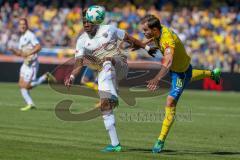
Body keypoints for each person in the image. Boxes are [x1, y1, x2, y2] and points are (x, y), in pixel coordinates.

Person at [64, 8, 157, 152]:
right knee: (104, 106)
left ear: (95, 21)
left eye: (89, 21)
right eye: (84, 22)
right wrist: (71, 76)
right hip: (105, 72)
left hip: (119, 65)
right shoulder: (81, 41)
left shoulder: (109, 29)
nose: (86, 24)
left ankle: (113, 95)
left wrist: (146, 47)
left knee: (107, 59)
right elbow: (78, 62)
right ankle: (115, 145)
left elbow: (129, 39)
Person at [140, 15, 221, 153]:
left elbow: (169, 60)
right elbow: (150, 39)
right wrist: (140, 45)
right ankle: (213, 74)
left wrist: (157, 78)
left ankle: (160, 140)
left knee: (170, 101)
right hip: (181, 68)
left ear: (154, 29)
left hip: (179, 71)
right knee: (190, 75)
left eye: (145, 30)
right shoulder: (160, 30)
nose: (143, 32)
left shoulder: (167, 40)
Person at [8, 18, 56, 111]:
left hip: (32, 64)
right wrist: (13, 50)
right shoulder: (21, 38)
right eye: (21, 24)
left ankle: (44, 77)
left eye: (24, 24)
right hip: (25, 64)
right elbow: (21, 54)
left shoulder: (30, 35)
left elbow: (38, 47)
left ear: (27, 25)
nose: (22, 26)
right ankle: (30, 104)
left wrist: (29, 53)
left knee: (27, 86)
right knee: (21, 85)